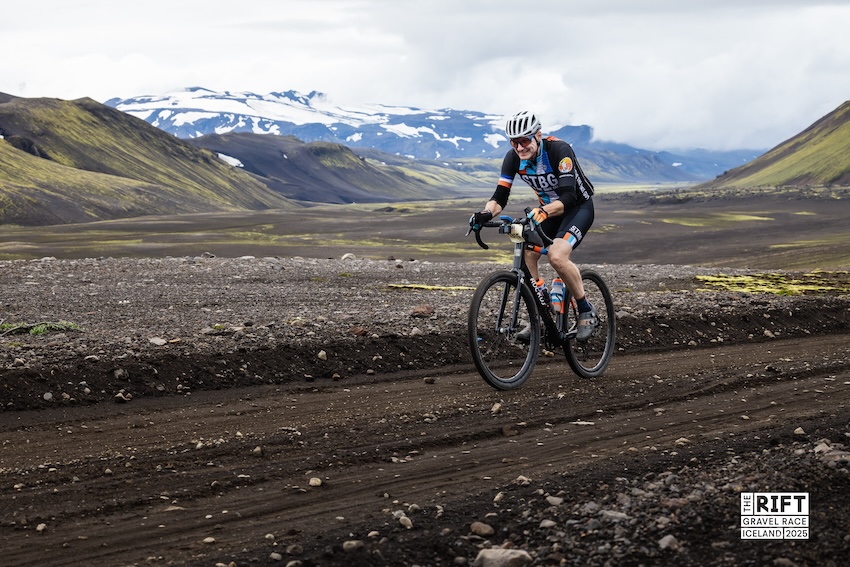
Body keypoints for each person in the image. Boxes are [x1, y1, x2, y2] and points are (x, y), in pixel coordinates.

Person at [469, 110, 597, 341]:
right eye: (514, 142)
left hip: (576, 209)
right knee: (528, 252)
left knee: (557, 257)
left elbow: (568, 198)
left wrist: (543, 211)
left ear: (538, 135)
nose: (519, 148)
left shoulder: (559, 151)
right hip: (548, 211)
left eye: (525, 141)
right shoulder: (513, 158)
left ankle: (586, 309)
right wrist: (485, 214)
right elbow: (500, 196)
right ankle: (540, 313)